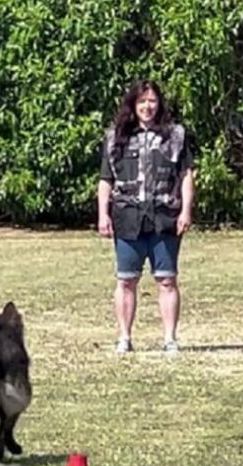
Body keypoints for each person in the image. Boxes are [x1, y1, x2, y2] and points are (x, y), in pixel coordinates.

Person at [97, 79, 195, 354]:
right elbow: (105, 180)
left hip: (165, 217)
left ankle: (170, 339)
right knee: (126, 280)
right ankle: (124, 338)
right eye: (142, 101)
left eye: (152, 101)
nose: (147, 106)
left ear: (159, 103)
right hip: (127, 218)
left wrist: (186, 210)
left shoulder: (176, 135)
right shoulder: (115, 137)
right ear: (133, 105)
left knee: (166, 279)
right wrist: (103, 214)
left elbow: (186, 175)